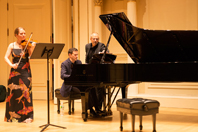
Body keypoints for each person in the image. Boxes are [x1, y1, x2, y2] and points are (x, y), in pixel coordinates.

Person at [4, 27, 36, 123]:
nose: (24, 35)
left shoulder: (27, 45)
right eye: (21, 33)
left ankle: (28, 116)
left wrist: (32, 47)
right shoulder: (12, 45)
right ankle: (12, 116)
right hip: (14, 72)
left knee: (26, 92)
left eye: (25, 33)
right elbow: (6, 57)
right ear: (16, 35)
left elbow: (31, 58)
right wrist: (11, 65)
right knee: (14, 93)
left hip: (26, 71)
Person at [85, 32, 109, 116]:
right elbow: (87, 59)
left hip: (99, 71)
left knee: (100, 89)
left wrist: (104, 53)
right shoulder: (87, 46)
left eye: (97, 39)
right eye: (94, 39)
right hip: (90, 71)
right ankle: (91, 109)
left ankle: (98, 108)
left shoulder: (102, 46)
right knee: (90, 88)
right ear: (90, 39)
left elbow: (107, 53)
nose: (95, 40)